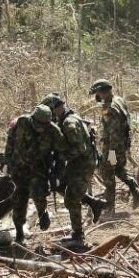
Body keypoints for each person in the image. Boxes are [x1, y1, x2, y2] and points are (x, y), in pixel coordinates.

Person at [40, 93, 108, 245]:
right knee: (60, 185)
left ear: (54, 109)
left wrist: (60, 157)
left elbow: (79, 149)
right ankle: (94, 203)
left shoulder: (68, 123)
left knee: (71, 199)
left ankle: (78, 236)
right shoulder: (68, 117)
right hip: (77, 163)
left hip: (82, 164)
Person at [3, 104, 64, 243]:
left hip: (38, 170)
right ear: (33, 119)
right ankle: (19, 233)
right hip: (17, 169)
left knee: (38, 193)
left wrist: (58, 175)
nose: (40, 127)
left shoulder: (53, 131)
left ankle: (43, 212)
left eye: (44, 124)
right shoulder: (21, 122)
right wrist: (5, 162)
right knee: (18, 201)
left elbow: (61, 154)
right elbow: (10, 142)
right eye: (38, 123)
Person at [88, 79, 139, 213]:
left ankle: (110, 207)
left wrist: (111, 152)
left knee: (108, 174)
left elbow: (113, 132)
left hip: (113, 148)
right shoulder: (119, 100)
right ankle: (134, 189)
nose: (97, 96)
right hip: (121, 145)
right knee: (118, 169)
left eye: (98, 93)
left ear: (102, 92)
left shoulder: (110, 107)